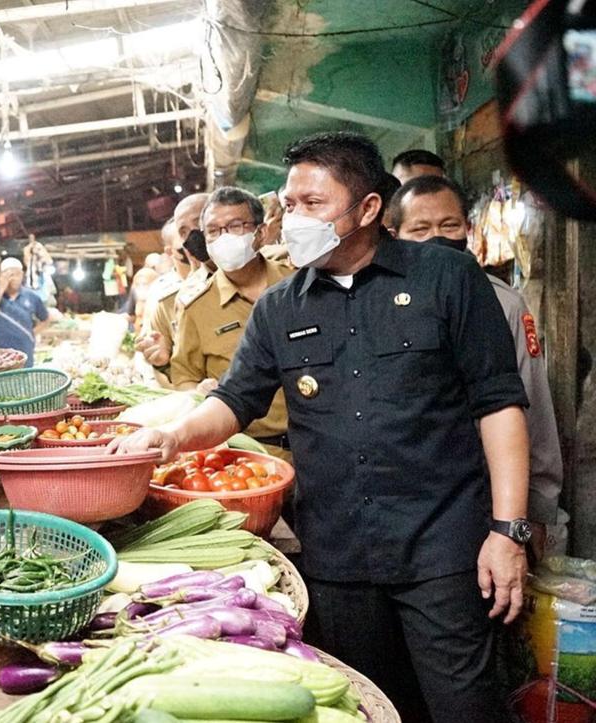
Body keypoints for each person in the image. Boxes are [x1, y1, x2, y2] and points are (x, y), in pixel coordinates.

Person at [112, 131, 530, 723]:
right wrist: (173, 436)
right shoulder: (281, 307)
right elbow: (235, 399)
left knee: (466, 705)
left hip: (442, 546)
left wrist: (509, 531)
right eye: (289, 205)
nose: (291, 220)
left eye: (313, 204)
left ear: (367, 209)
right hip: (337, 555)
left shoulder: (445, 278)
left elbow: (500, 405)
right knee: (369, 702)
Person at [389, 174, 562, 558]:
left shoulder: (504, 303)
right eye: (420, 228)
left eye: (448, 225)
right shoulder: (378, 306)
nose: (437, 236)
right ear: (395, 234)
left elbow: (533, 407)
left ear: (468, 228)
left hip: (490, 496)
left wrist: (532, 512)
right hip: (409, 500)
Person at [169, 187, 293, 459]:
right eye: (213, 231)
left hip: (318, 445)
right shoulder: (196, 309)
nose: (223, 238)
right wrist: (197, 391)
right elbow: (183, 377)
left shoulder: (297, 286)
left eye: (235, 226)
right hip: (250, 456)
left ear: (259, 234)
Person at [135, 193, 212, 375]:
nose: (195, 238)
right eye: (184, 233)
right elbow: (178, 372)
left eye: (200, 225)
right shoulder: (168, 300)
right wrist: (162, 362)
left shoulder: (264, 277)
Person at [0, 257, 50, 367]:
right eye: (10, 275)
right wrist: (1, 289)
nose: (14, 278)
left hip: (25, 352)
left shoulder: (32, 297)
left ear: (22, 275)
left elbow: (46, 319)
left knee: (24, 382)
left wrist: (31, 333)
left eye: (17, 274)